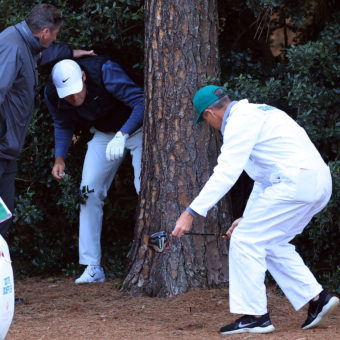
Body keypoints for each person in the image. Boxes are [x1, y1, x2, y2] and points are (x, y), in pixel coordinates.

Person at [172, 85, 339, 334]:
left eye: (206, 121)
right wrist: (246, 218)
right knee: (271, 242)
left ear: (210, 114)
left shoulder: (239, 122)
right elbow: (263, 179)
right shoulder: (259, 113)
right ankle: (317, 298)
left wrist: (191, 212)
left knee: (245, 239)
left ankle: (255, 316)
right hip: (316, 183)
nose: (210, 126)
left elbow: (226, 172)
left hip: (294, 183)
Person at [45, 56, 144, 284]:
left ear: (83, 76)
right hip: (103, 135)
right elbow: (62, 124)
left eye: (76, 90)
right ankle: (92, 266)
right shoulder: (53, 94)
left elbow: (140, 102)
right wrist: (60, 158)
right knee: (87, 191)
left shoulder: (105, 71)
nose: (74, 97)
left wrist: (124, 133)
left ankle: (158, 251)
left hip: (136, 130)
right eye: (68, 95)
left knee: (145, 188)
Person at [0, 3, 94, 239]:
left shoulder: (25, 46)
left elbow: (45, 55)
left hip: (8, 150)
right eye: (55, 35)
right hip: (1, 146)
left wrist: (71, 53)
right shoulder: (11, 46)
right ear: (44, 33)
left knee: (4, 215)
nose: (54, 39)